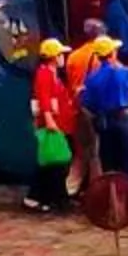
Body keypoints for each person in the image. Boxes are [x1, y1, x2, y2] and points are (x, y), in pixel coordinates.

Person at [77, 38, 128, 181]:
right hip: (123, 119)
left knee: (108, 165)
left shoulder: (92, 78)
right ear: (112, 53)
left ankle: (110, 192)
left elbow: (86, 102)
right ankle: (126, 191)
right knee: (126, 163)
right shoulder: (122, 72)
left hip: (104, 121)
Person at [27, 40, 79, 212]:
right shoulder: (44, 74)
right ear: (53, 57)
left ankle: (46, 198)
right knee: (55, 164)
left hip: (60, 125)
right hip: (54, 126)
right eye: (60, 54)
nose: (62, 57)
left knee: (52, 164)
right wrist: (50, 121)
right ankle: (54, 199)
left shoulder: (52, 74)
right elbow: (44, 99)